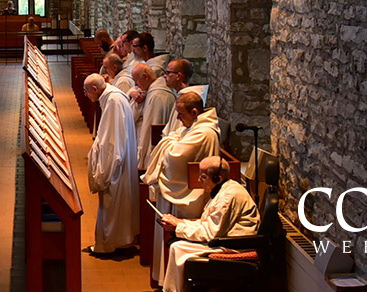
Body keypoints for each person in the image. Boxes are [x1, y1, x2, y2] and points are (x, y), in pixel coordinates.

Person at [145, 92, 223, 280]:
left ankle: (177, 280)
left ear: (195, 112)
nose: (179, 120)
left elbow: (174, 157)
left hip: (190, 194)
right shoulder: (195, 126)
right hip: (186, 189)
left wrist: (170, 141)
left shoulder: (203, 132)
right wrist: (172, 140)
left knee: (178, 237)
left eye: (181, 114)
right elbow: (173, 138)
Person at [158, 155, 260, 291]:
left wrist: (179, 227)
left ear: (218, 178)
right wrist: (179, 222)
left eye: (204, 177)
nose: (199, 180)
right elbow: (208, 223)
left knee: (179, 248)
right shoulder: (225, 188)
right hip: (225, 237)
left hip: (234, 243)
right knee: (177, 246)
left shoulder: (227, 196)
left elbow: (210, 233)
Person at [84, 73, 137, 254]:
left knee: (112, 203)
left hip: (116, 165)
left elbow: (111, 142)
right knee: (116, 204)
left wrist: (103, 171)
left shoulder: (113, 101)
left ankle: (109, 245)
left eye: (86, 91)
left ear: (95, 89)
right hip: (119, 161)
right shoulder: (111, 97)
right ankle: (120, 241)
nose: (86, 95)